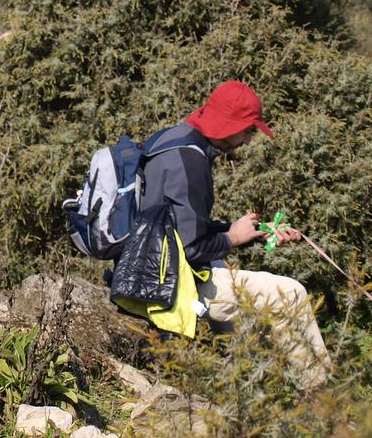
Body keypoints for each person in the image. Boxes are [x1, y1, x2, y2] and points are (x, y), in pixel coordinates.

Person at [131, 80, 330, 389]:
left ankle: (248, 388)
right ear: (230, 125)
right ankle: (322, 404)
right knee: (291, 295)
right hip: (166, 279)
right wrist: (233, 237)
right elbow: (193, 248)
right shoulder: (191, 162)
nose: (248, 140)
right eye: (249, 130)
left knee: (234, 277)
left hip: (147, 262)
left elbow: (180, 226)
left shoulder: (176, 139)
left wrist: (257, 232)